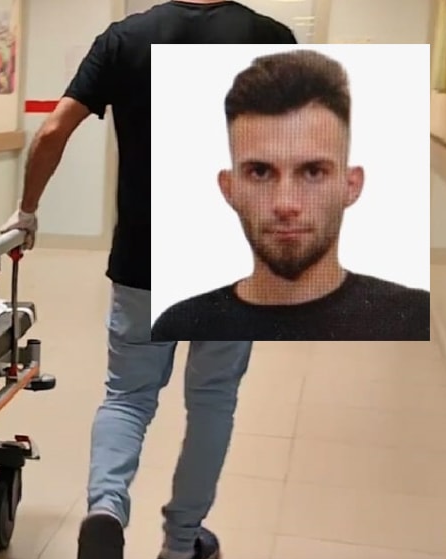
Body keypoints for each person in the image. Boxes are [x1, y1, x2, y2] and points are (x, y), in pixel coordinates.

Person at [2, 0, 296, 559]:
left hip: (142, 256)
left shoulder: (125, 38)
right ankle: (182, 544)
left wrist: (26, 211)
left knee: (127, 396)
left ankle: (106, 509)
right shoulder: (270, 38)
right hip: (231, 258)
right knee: (212, 399)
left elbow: (53, 131)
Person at [149, 49, 431, 342]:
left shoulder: (416, 319)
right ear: (228, 188)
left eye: (313, 172)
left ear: (351, 185)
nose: (285, 204)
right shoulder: (182, 327)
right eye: (260, 172)